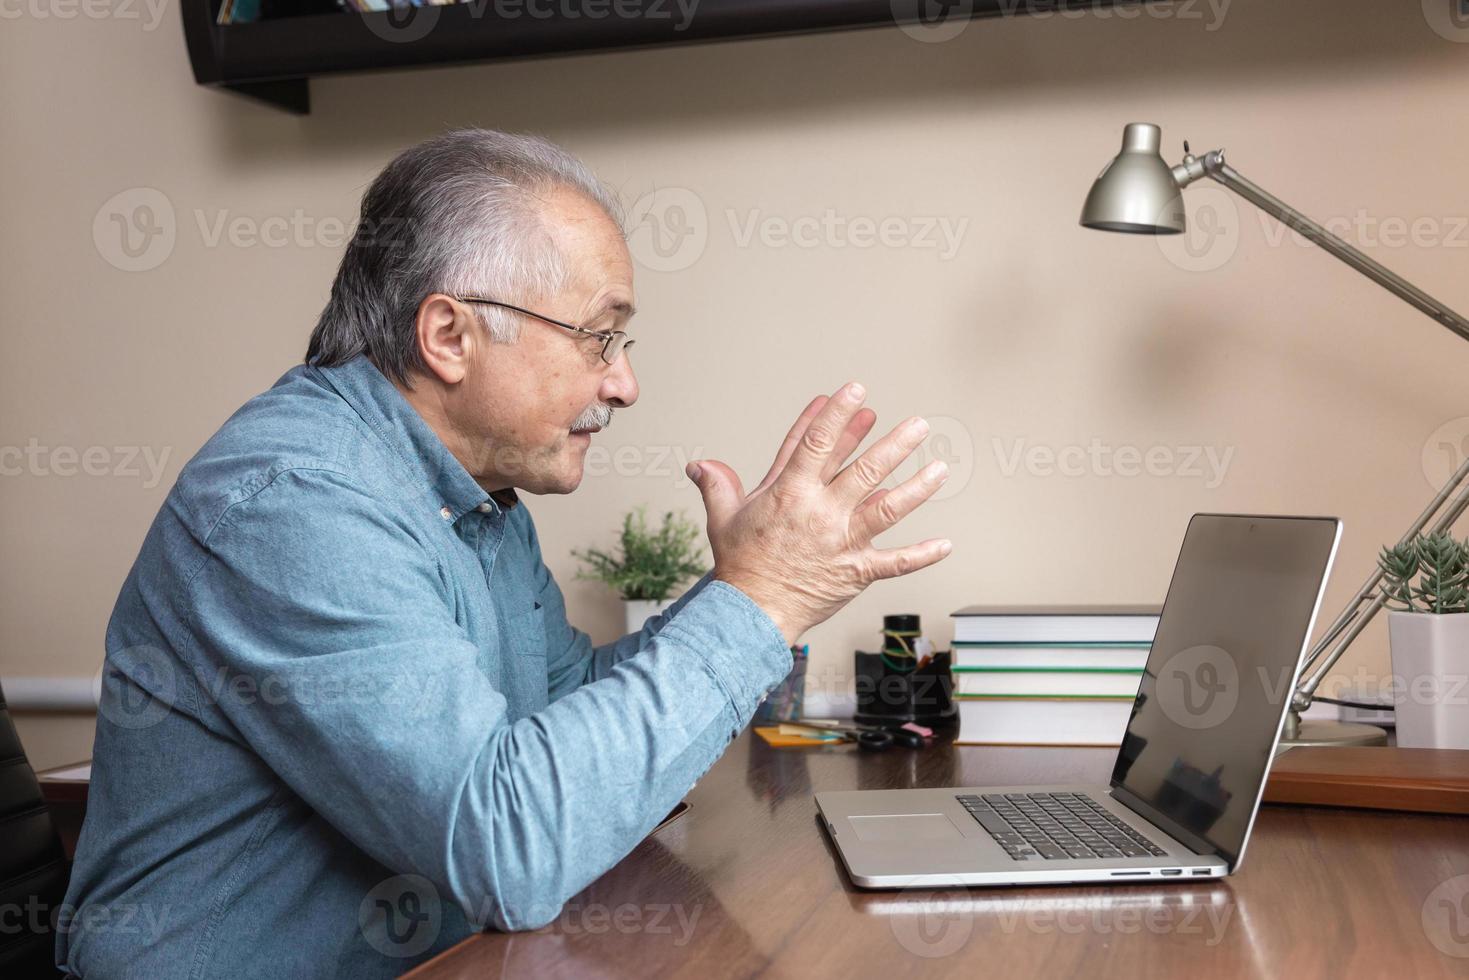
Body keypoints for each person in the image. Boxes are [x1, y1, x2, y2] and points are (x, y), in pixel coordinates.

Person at [57, 129, 951, 978]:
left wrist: (743, 588)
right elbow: (506, 847)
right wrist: (761, 600)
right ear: (449, 336)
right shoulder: (294, 501)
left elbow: (563, 710)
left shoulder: (470, 492)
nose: (623, 383)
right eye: (598, 335)